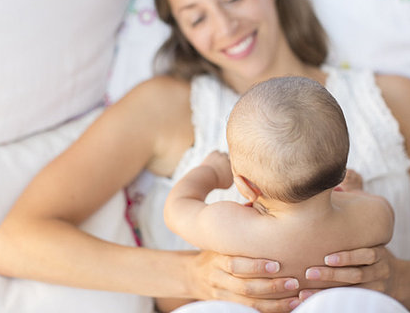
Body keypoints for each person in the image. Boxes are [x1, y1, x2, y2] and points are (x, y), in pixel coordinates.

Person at [0, 0, 410, 313]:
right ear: (182, 32)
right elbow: (18, 242)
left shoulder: (392, 99)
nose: (225, 25)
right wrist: (192, 277)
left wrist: (393, 278)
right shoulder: (162, 106)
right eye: (197, 16)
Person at [157, 76, 394, 312]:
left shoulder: (232, 227)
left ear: (246, 187)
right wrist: (354, 192)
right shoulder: (372, 218)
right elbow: (375, 207)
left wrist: (209, 171)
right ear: (341, 173)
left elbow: (176, 209)